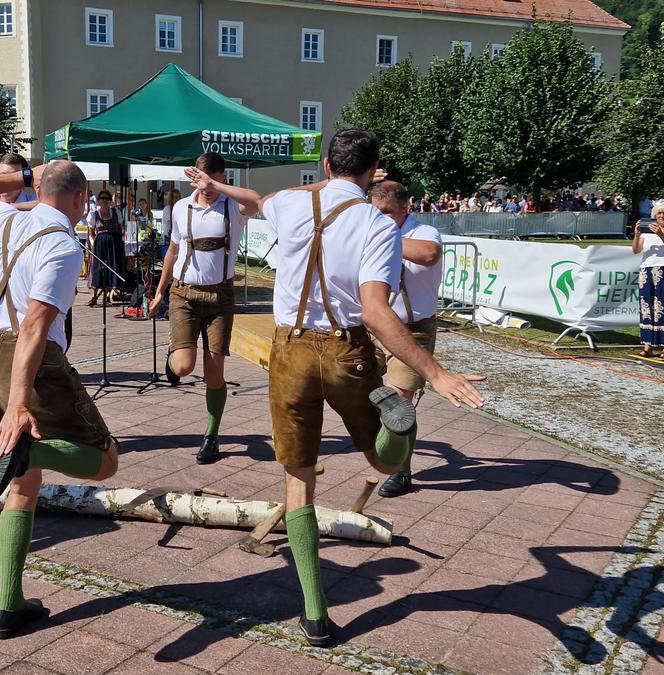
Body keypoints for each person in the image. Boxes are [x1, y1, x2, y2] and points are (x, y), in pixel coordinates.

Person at [258, 129, 485, 647]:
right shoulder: (377, 224)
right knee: (385, 463)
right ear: (374, 171)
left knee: (298, 480)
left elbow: (263, 200)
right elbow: (377, 313)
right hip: (347, 350)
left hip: (288, 350)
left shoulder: (288, 203)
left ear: (324, 164)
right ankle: (396, 421)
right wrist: (435, 372)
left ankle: (316, 614)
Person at [0, 159, 119, 640]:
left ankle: (10, 605)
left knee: (22, 485)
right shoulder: (63, 246)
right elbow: (34, 326)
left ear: (40, 187)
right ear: (82, 200)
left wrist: (27, 176)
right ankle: (31, 448)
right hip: (31, 361)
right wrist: (22, 405)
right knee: (104, 462)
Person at [148, 152, 260, 464]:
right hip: (184, 294)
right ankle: (173, 360)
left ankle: (211, 436)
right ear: (192, 177)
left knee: (214, 372)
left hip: (220, 297)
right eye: (200, 180)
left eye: (212, 180)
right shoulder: (181, 207)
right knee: (184, 367)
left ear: (223, 177)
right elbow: (172, 249)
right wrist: (160, 290)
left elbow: (255, 199)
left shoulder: (233, 207)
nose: (205, 186)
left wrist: (218, 187)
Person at [368, 182, 444, 498]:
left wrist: (384, 239)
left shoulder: (424, 233)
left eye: (387, 213)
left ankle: (402, 471)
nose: (381, 219)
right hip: (375, 327)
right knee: (360, 392)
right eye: (376, 214)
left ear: (406, 208)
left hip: (413, 330)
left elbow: (429, 254)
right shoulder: (370, 231)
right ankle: (386, 451)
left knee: (398, 405)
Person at [632, 199, 664, 362]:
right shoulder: (647, 233)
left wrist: (660, 234)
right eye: (659, 213)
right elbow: (635, 250)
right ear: (654, 216)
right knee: (646, 308)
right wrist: (637, 233)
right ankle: (648, 345)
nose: (662, 216)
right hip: (646, 270)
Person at [86, 190, 128, 306]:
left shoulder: (116, 212)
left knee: (111, 267)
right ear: (98, 200)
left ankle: (106, 295)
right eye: (102, 198)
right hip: (100, 243)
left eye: (107, 198)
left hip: (113, 243)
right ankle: (94, 295)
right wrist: (95, 243)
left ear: (110, 201)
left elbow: (120, 228)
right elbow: (91, 231)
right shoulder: (94, 214)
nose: (105, 201)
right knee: (97, 268)